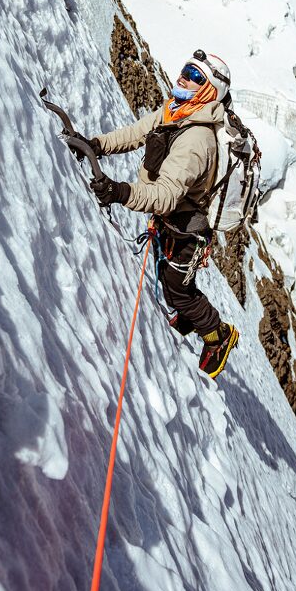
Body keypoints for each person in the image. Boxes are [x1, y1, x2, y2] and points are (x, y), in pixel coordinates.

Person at [86, 50, 239, 379]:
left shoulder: (198, 139)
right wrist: (97, 144)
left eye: (196, 77)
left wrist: (121, 192)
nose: (184, 77)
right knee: (171, 274)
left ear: (209, 91)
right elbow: (138, 132)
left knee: (176, 288)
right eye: (186, 70)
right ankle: (187, 314)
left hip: (187, 229)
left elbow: (167, 195)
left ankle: (218, 335)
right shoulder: (177, 112)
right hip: (171, 220)